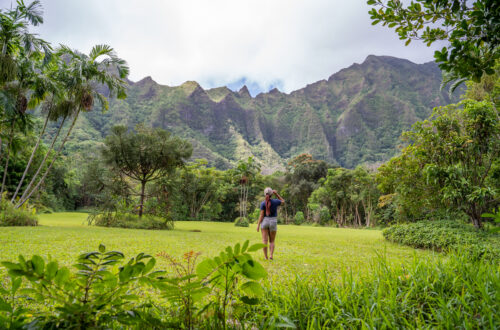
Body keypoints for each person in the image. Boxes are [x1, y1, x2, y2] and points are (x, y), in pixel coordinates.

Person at [256, 187, 285, 260]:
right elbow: (283, 201)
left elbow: (261, 215)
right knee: (272, 241)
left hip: (265, 221)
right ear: (272, 194)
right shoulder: (275, 201)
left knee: (264, 241)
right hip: (273, 221)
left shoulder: (263, 203)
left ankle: (266, 257)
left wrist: (258, 225)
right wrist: (276, 194)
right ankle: (271, 256)